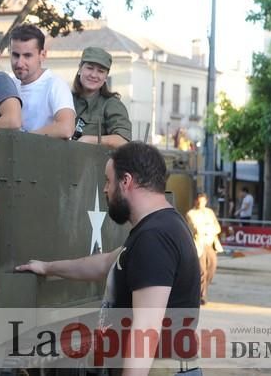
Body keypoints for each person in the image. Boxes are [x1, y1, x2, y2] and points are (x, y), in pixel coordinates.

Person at [16, 142, 200, 374]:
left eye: (108, 180)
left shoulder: (154, 238)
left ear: (126, 181)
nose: (105, 189)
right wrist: (46, 267)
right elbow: (104, 264)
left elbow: (147, 328)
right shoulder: (160, 226)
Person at [9, 24, 75, 138]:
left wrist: (22, 140)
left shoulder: (55, 85)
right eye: (15, 55)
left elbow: (66, 128)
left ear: (42, 55)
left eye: (27, 56)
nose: (19, 63)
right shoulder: (10, 84)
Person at [71, 46, 132, 149]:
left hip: (95, 163)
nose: (94, 75)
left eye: (101, 71)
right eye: (89, 68)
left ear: (106, 77)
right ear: (80, 69)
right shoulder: (66, 99)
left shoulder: (111, 104)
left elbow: (123, 140)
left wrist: (91, 140)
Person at [186, 193, 223, 304]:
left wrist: (206, 229)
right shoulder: (191, 213)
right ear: (195, 201)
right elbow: (196, 228)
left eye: (202, 201)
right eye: (198, 201)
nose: (200, 203)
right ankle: (201, 295)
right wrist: (208, 228)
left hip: (210, 244)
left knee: (212, 268)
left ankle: (203, 290)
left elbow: (217, 227)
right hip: (198, 245)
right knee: (202, 270)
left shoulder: (209, 212)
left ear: (205, 201)